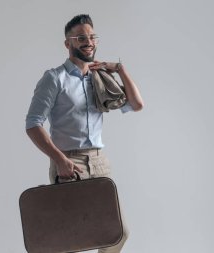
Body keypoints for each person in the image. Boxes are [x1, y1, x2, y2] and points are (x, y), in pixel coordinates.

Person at [25, 14, 144, 253]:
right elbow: (33, 123)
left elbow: (136, 104)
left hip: (99, 162)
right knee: (71, 238)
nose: (88, 41)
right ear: (68, 43)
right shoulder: (54, 78)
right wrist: (60, 160)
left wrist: (119, 69)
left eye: (91, 36)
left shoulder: (100, 78)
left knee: (118, 233)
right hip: (70, 162)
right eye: (80, 37)